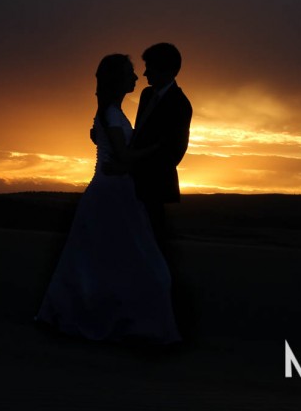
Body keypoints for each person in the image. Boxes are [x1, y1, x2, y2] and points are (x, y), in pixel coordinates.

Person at [35, 54, 181, 345]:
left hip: (114, 190)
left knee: (100, 260)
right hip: (112, 193)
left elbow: (115, 147)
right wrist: (156, 148)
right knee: (132, 260)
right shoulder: (112, 114)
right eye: (130, 73)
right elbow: (124, 155)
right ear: (117, 79)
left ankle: (108, 320)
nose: (136, 78)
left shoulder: (111, 113)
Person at [131, 43, 192, 250]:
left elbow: (175, 150)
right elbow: (139, 134)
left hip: (154, 183)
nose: (145, 73)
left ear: (166, 70)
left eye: (150, 67)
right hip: (133, 180)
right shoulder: (146, 95)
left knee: (151, 241)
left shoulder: (180, 104)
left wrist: (138, 161)